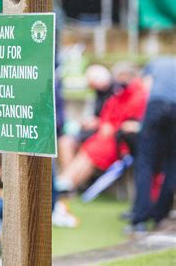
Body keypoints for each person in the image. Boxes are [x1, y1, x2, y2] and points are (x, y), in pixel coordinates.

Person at [56, 63, 148, 191]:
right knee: (81, 149)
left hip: (118, 141)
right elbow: (109, 113)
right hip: (104, 137)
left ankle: (66, 183)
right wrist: (104, 124)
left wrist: (110, 125)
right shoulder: (119, 95)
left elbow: (132, 120)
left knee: (91, 153)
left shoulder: (136, 95)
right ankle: (67, 182)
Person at [129, 56, 176, 232]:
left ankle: (139, 219)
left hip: (156, 106)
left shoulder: (155, 63)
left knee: (145, 162)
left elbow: (145, 87)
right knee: (173, 163)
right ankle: (159, 216)